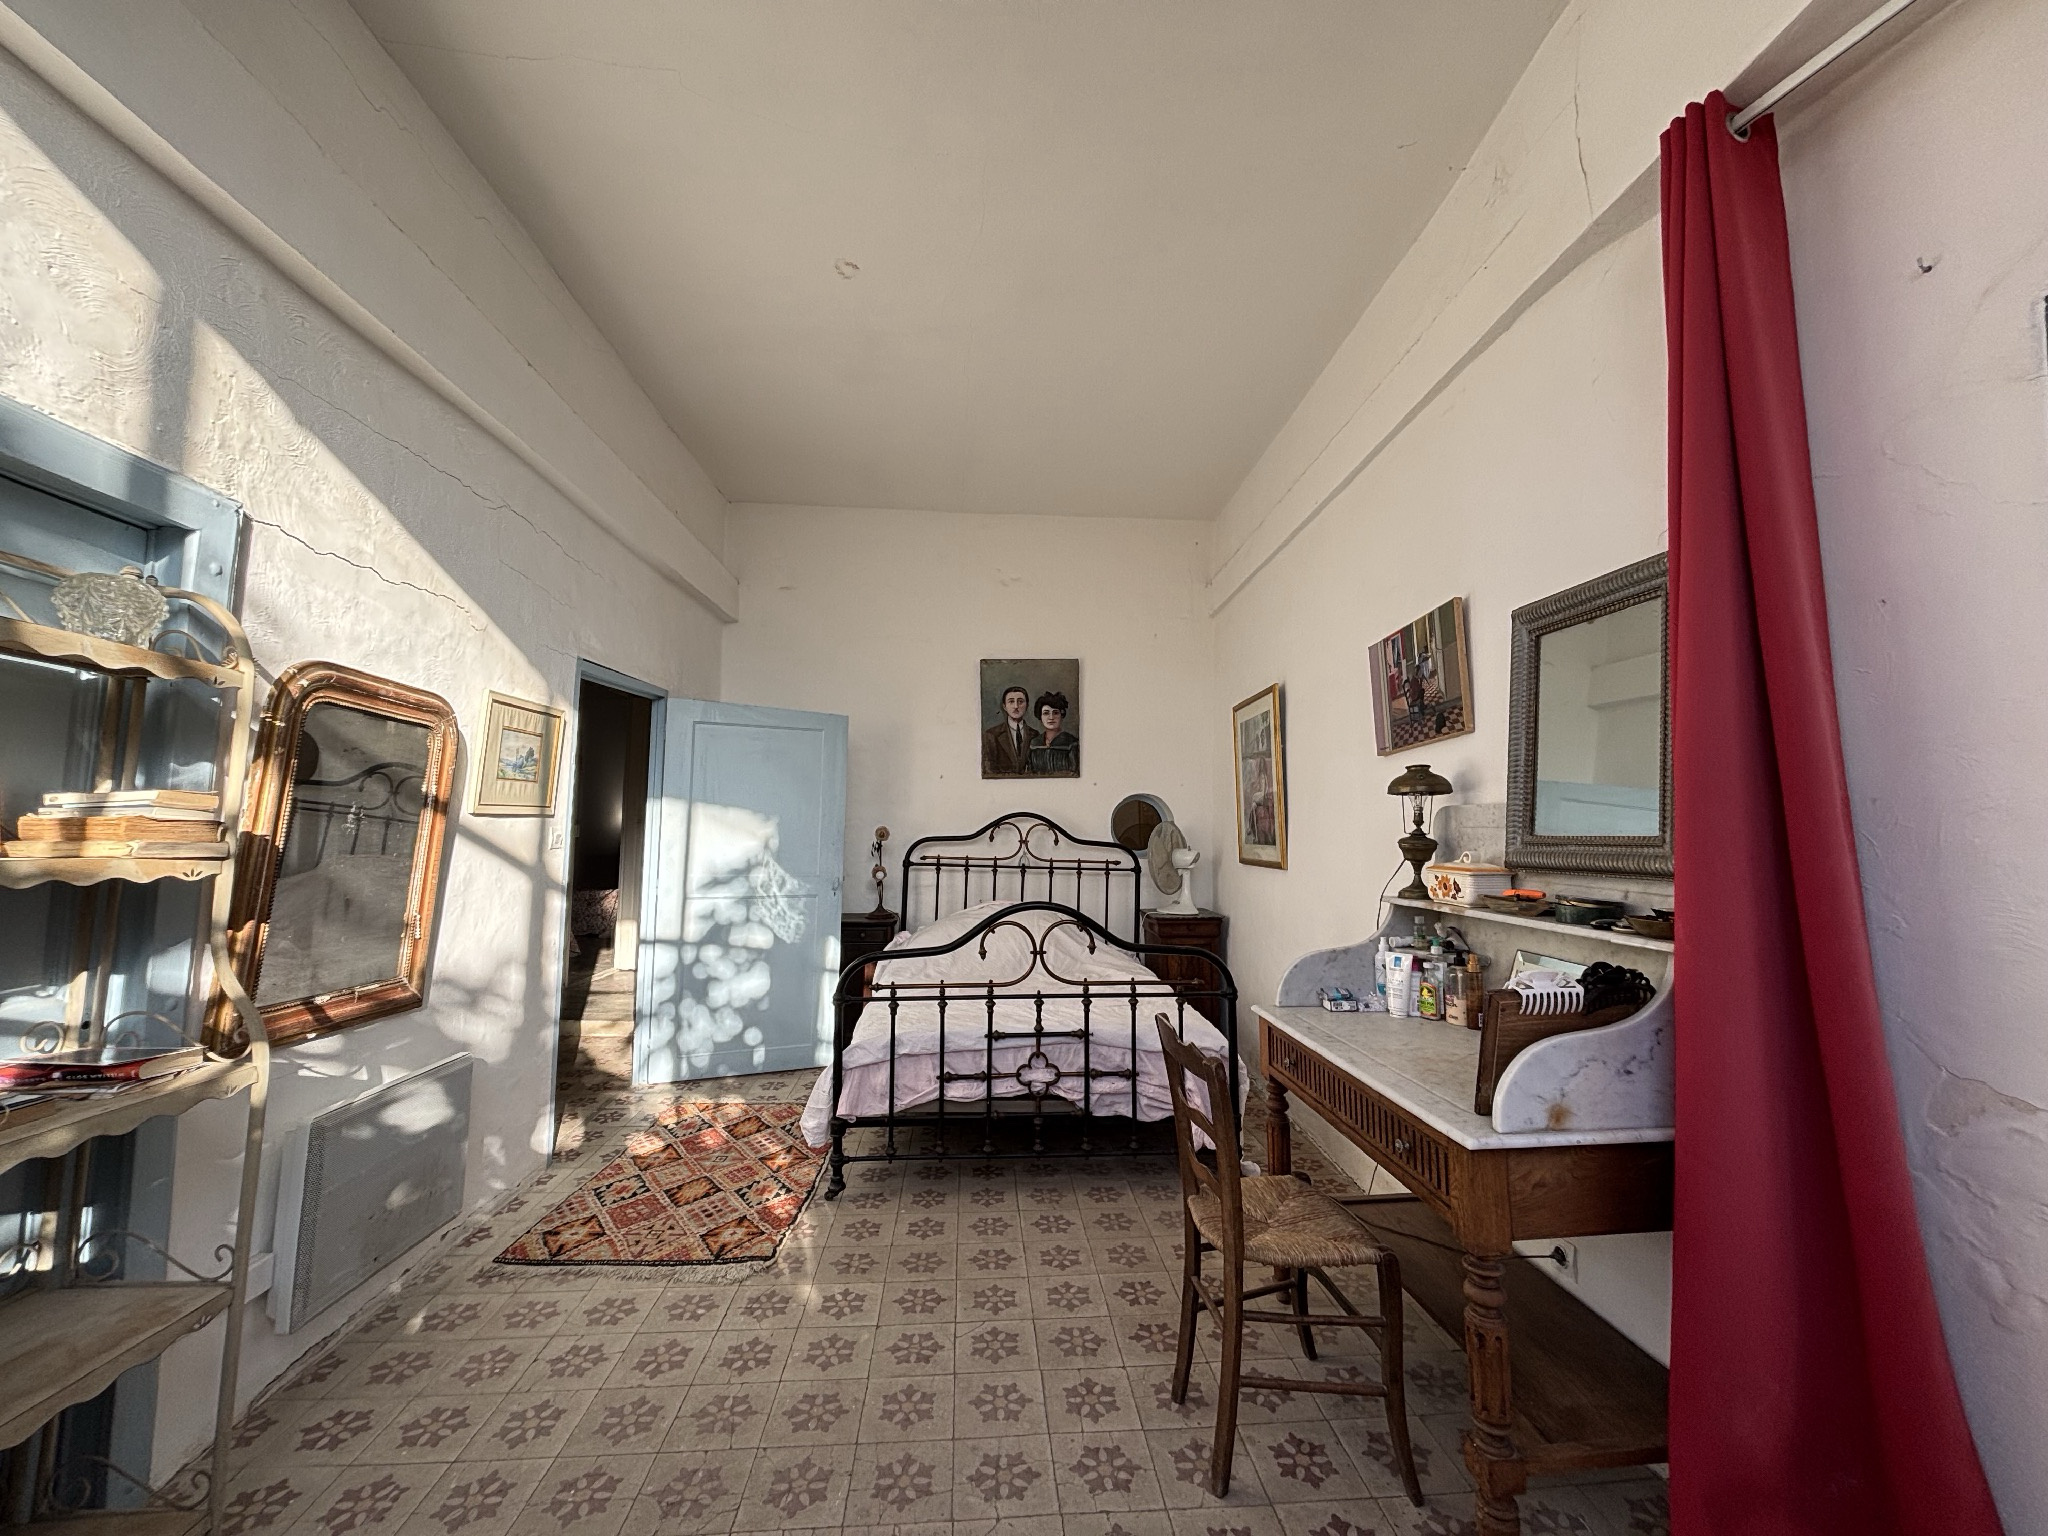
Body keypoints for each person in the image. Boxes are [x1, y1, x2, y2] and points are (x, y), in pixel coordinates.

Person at [982, 684, 1035, 776]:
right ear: (1004, 706)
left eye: (1020, 702)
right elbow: (989, 772)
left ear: (1027, 705)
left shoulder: (1034, 734)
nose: (1016, 706)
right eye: (1011, 701)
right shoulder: (991, 735)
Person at [1027, 690, 1079, 776]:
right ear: (1040, 717)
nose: (1051, 717)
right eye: (1046, 713)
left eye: (1055, 713)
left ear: (1061, 716)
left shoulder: (1072, 743)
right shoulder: (1034, 743)